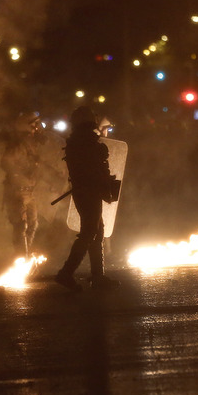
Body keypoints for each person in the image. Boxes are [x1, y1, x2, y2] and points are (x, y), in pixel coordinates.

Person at [53, 106, 119, 291]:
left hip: (88, 191)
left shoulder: (80, 140)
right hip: (88, 191)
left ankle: (98, 276)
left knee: (96, 232)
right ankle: (66, 273)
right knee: (90, 233)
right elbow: (91, 168)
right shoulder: (85, 142)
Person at [0, 111, 47, 257]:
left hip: (29, 191)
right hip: (17, 191)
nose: (37, 128)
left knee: (32, 224)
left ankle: (24, 256)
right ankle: (21, 258)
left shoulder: (31, 144)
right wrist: (20, 173)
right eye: (34, 124)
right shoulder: (17, 144)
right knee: (21, 226)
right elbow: (6, 162)